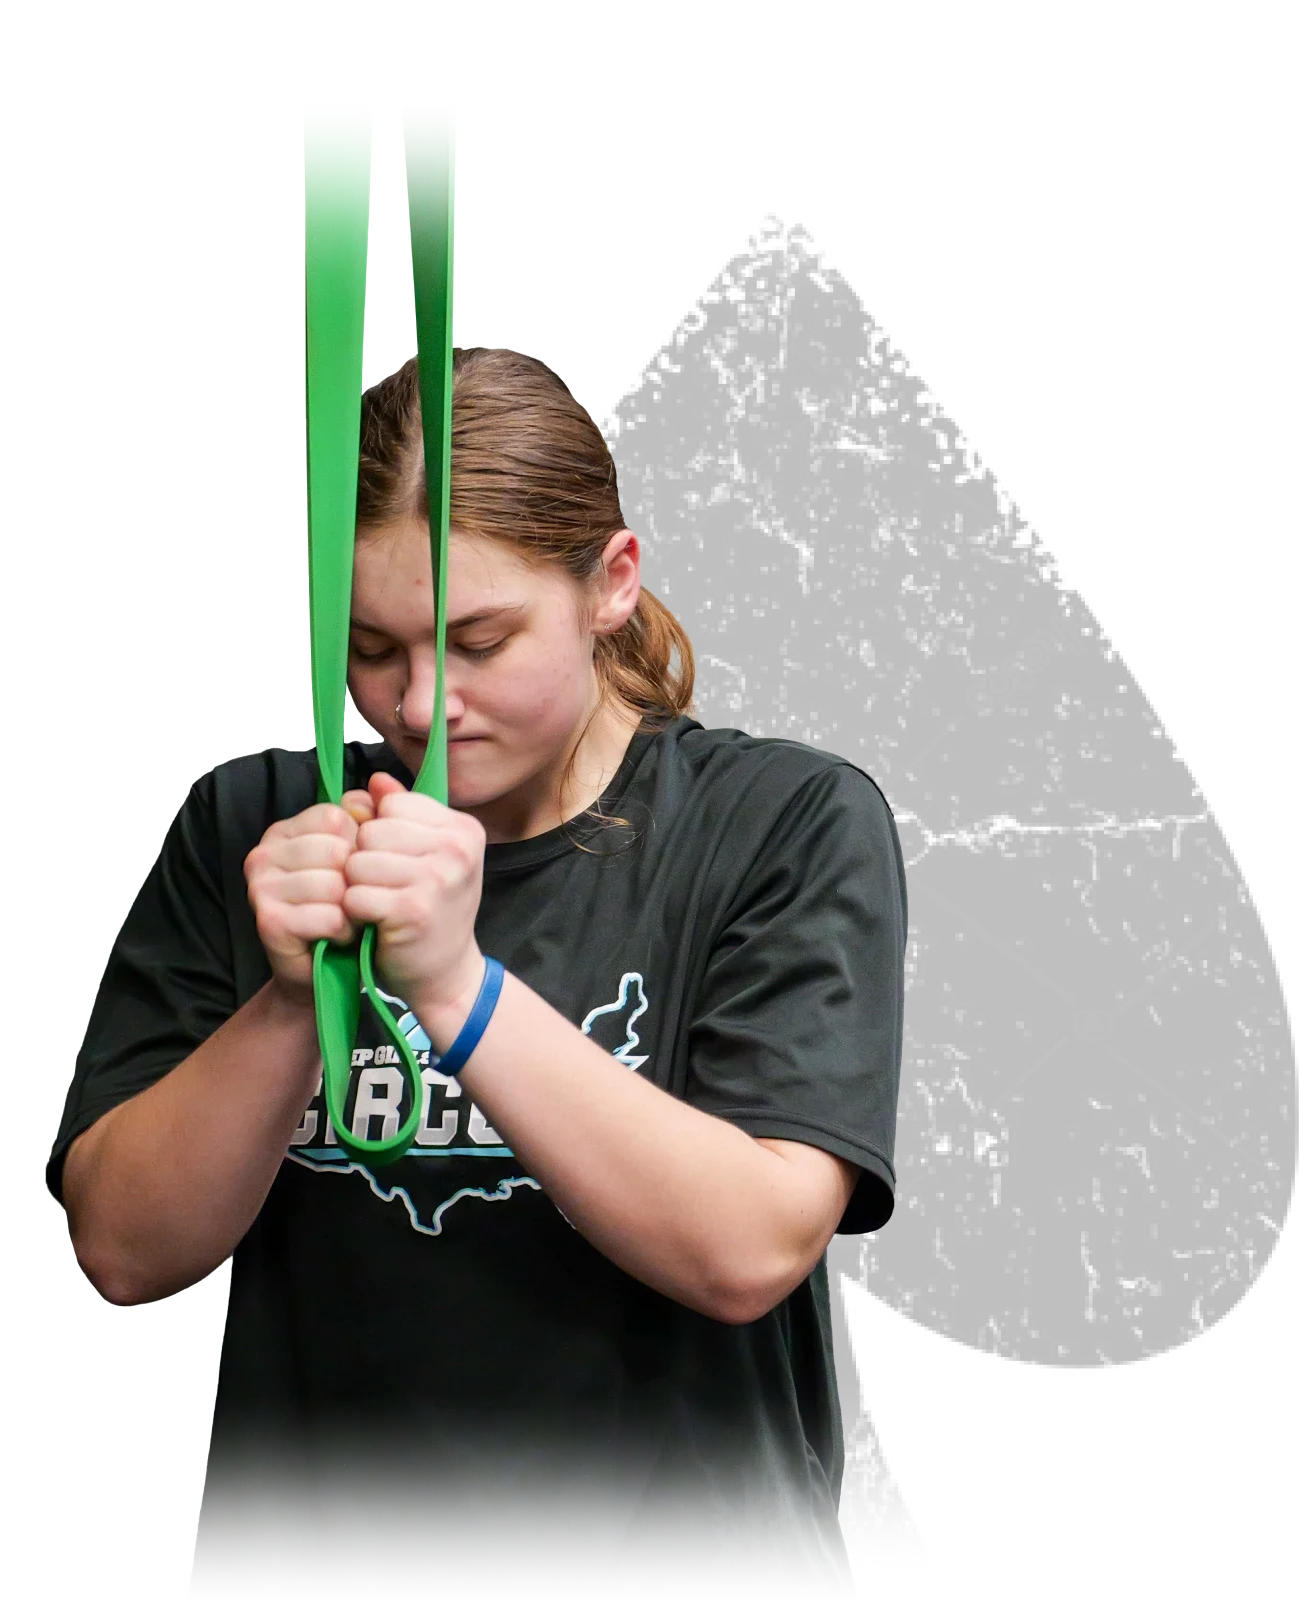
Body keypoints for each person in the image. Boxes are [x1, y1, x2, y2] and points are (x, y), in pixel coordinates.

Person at [48, 348, 906, 1595]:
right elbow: (124, 1251)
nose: (417, 701)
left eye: (480, 640)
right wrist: (295, 995)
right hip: (313, 1563)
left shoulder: (784, 820)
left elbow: (750, 1247)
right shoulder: (255, 822)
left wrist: (453, 987)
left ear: (613, 582)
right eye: (371, 645)